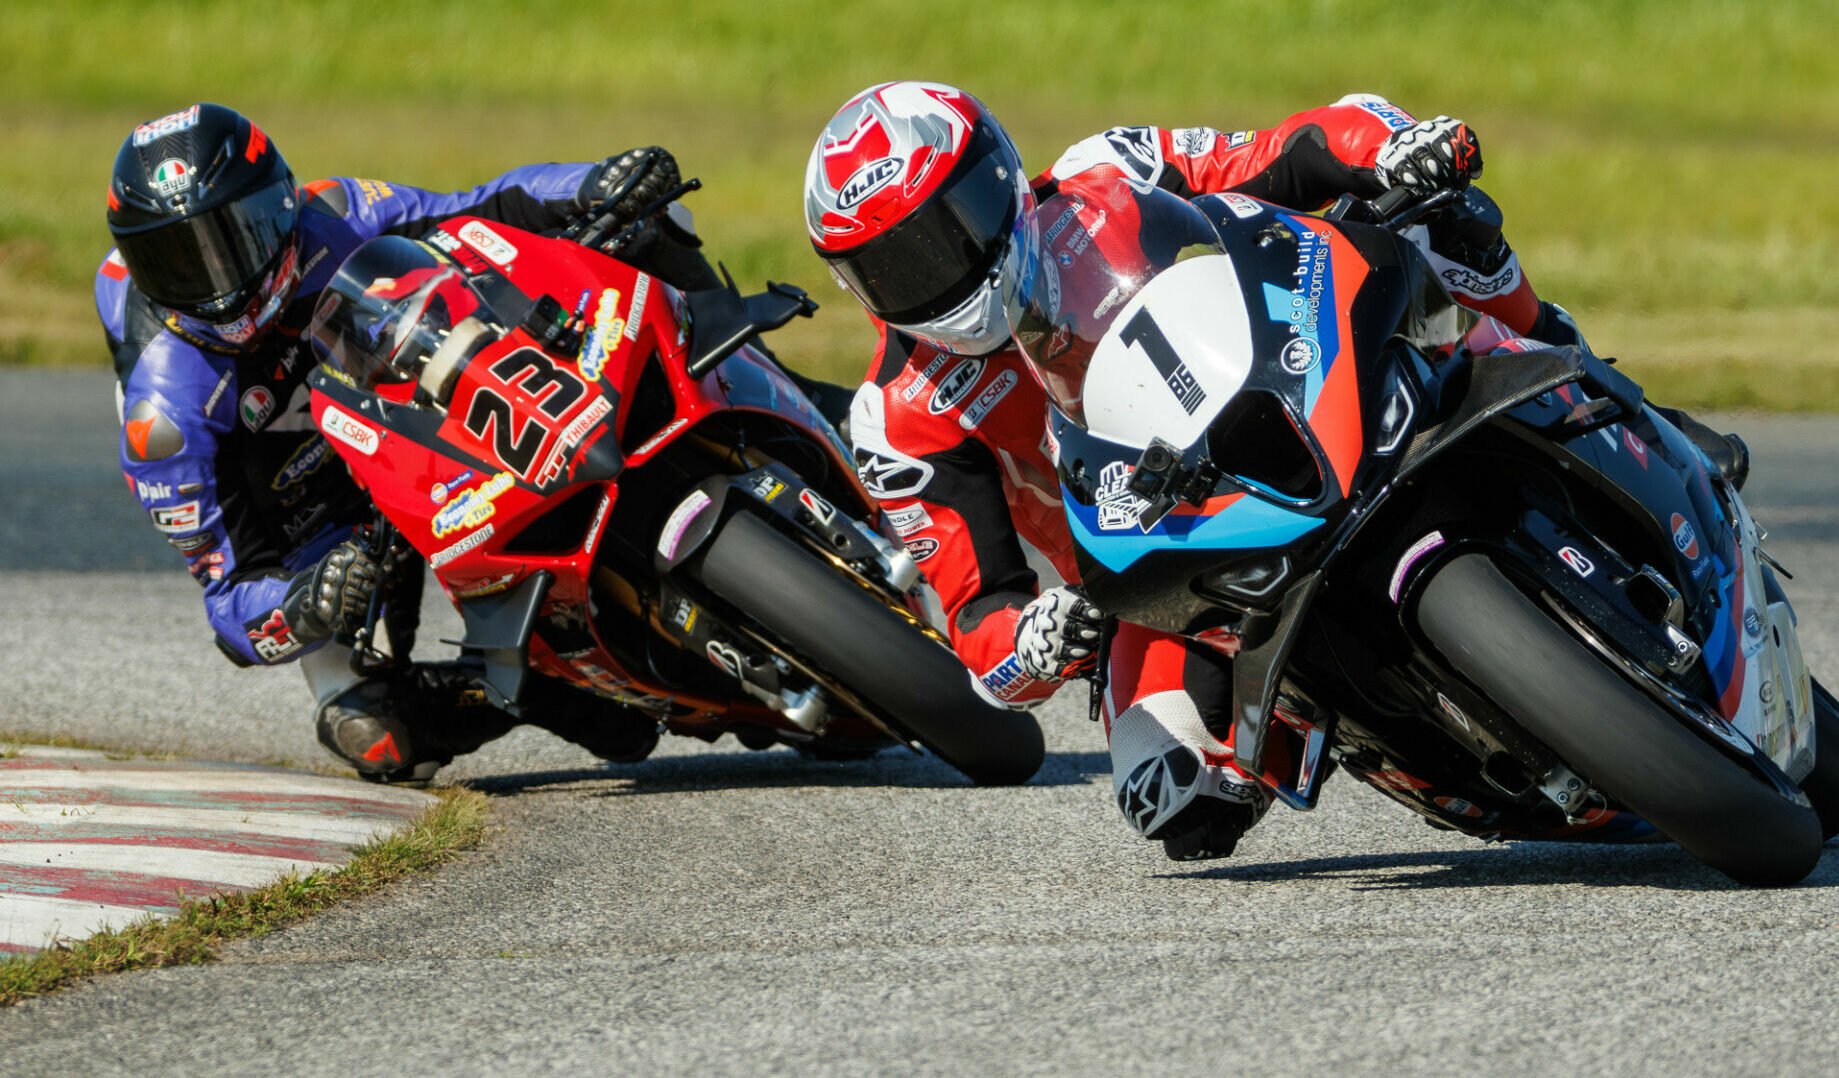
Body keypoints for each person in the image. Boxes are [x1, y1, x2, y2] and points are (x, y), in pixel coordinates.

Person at [802, 81, 1745, 860]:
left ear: (999, 175)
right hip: (1161, 560)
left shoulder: (1106, 175)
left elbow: (1290, 151)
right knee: (1178, 806)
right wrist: (1039, 637)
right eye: (901, 262)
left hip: (1282, 385)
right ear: (856, 285)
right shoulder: (896, 419)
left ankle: (1616, 395)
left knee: (1444, 220)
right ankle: (1378, 734)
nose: (950, 268)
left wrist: (1397, 146)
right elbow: (976, 622)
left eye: (953, 225)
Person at [100, 103, 842, 784]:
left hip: (404, 395)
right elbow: (231, 604)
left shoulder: (329, 215)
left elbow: (478, 209)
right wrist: (305, 604)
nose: (220, 280)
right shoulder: (164, 417)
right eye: (181, 261)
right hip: (309, 507)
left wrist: (594, 183)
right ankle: (543, 684)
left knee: (644, 218)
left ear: (280, 203)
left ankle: (782, 401)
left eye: (237, 238)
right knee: (374, 735)